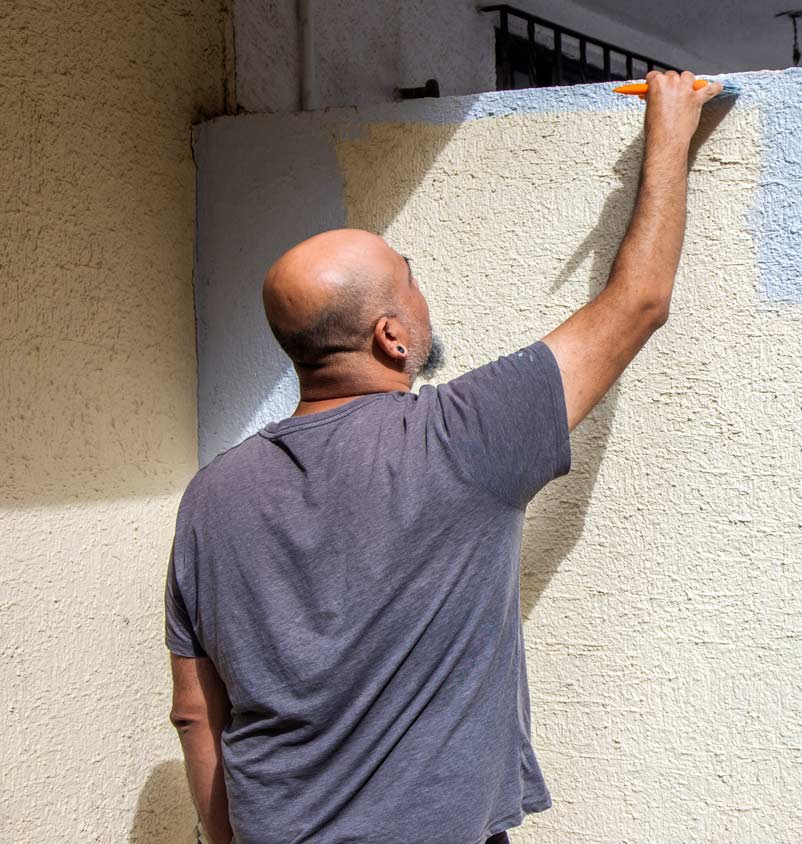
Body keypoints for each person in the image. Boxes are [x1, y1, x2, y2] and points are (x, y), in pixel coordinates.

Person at [164, 70, 724, 844]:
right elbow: (638, 302)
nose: (421, 290)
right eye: (410, 278)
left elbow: (195, 713)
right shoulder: (461, 436)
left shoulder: (210, 495)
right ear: (391, 337)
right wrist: (671, 127)